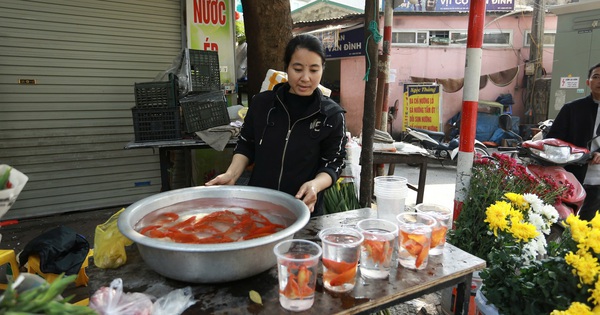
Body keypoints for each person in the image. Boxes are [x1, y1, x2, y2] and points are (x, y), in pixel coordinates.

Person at [206, 34, 347, 216]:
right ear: (286, 67)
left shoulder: (331, 115)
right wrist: (231, 174)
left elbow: (334, 162)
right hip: (258, 207)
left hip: (302, 210)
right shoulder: (262, 104)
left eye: (313, 70)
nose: (305, 78)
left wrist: (315, 185)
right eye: (297, 69)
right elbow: (247, 144)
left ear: (322, 69)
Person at [546, 62, 600, 221]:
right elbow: (554, 139)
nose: (599, 81)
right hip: (573, 176)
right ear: (588, 82)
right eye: (596, 77)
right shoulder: (572, 109)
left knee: (590, 226)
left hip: (598, 179)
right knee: (567, 222)